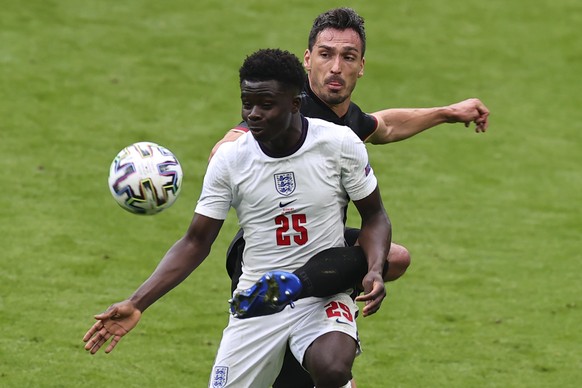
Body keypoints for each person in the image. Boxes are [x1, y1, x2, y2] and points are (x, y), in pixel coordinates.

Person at [210, 7, 490, 387]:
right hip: (266, 261)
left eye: (348, 57)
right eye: (326, 55)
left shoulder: (343, 121)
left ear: (361, 66)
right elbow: (239, 137)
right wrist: (228, 145)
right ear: (308, 59)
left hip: (322, 251)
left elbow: (385, 125)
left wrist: (447, 113)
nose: (336, 67)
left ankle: (329, 307)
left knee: (393, 258)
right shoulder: (295, 109)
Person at [83, 48, 391, 388]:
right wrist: (137, 302)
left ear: (295, 102)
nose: (254, 115)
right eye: (248, 103)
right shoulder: (231, 160)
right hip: (258, 301)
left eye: (266, 104)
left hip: (322, 292)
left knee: (332, 368)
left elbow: (375, 216)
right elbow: (196, 241)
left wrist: (374, 268)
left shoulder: (338, 144)